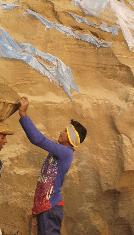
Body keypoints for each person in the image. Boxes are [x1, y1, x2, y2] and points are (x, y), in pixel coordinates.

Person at [18, 97, 87, 235]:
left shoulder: (65, 152)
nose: (61, 132)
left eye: (64, 131)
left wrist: (23, 114)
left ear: (70, 137)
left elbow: (38, 139)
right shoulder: (59, 152)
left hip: (50, 209)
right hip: (46, 209)